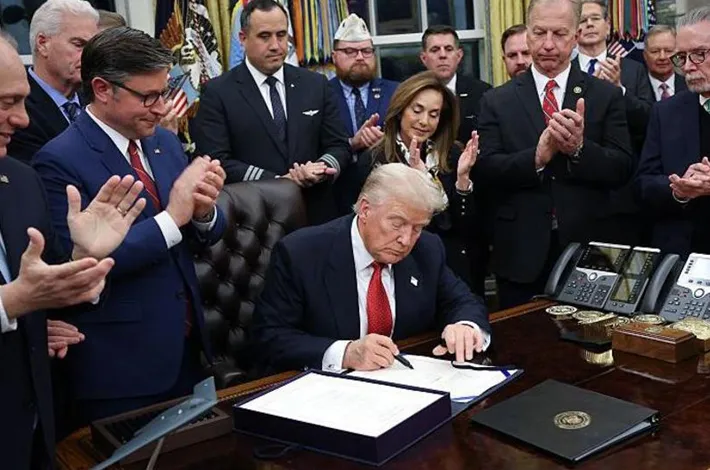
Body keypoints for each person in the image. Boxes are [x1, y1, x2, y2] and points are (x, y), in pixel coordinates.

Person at [33, 26, 227, 423]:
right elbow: (79, 266)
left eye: (165, 91)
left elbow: (196, 233)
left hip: (186, 348)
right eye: (149, 96)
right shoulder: (58, 161)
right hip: (120, 367)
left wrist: (204, 213)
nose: (161, 107)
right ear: (103, 89)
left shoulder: (164, 142)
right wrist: (173, 218)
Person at [0, 35, 146, 470]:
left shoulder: (20, 182)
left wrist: (84, 260)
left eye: (23, 101)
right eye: (7, 103)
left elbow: (39, 294)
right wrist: (10, 305)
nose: (23, 119)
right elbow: (17, 298)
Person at [252, 163, 490, 373]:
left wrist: (465, 326)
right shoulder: (302, 253)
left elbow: (463, 301)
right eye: (397, 224)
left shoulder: (426, 249)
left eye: (417, 228)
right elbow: (270, 337)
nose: (406, 240)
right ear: (365, 210)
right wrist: (345, 353)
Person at [475, 0, 633, 309]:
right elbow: (486, 170)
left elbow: (623, 168)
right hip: (520, 254)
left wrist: (579, 150)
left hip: (590, 251)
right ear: (528, 35)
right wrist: (536, 158)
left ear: (576, 37)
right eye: (539, 33)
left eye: (559, 34)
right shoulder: (496, 101)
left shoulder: (605, 95)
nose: (548, 44)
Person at [193, 0, 351, 225]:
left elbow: (339, 146)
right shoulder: (218, 92)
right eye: (264, 36)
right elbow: (216, 160)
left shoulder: (316, 85)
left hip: (316, 216)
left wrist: (319, 169)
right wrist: (279, 182)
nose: (276, 45)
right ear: (242, 38)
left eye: (281, 35)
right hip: (254, 222)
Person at [345, 71, 483, 296]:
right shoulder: (375, 159)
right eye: (417, 111)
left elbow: (465, 228)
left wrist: (462, 180)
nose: (424, 121)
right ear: (401, 110)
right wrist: (423, 185)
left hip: (453, 269)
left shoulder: (453, 154)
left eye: (433, 114)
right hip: (400, 271)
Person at [635, 6, 710, 257]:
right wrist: (679, 190)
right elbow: (644, 184)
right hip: (680, 256)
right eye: (682, 57)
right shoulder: (665, 112)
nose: (687, 66)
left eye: (699, 54)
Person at [7, 0, 99, 164]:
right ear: (43, 43)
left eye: (93, 47)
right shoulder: (16, 109)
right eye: (79, 44)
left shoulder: (99, 99)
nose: (90, 56)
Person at [328, 13, 398, 215]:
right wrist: (352, 144)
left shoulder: (396, 92)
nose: (360, 57)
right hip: (336, 198)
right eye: (350, 51)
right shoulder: (320, 93)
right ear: (334, 56)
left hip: (386, 195)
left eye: (366, 51)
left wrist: (386, 142)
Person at [420, 25, 491, 145]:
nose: (442, 55)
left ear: (459, 56)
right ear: (424, 58)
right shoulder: (413, 94)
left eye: (448, 49)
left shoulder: (482, 93)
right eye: (435, 50)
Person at [644, 25, 688, 102]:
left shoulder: (690, 86)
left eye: (668, 51)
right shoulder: (635, 88)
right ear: (645, 55)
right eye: (655, 51)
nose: (662, 57)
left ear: (678, 55)